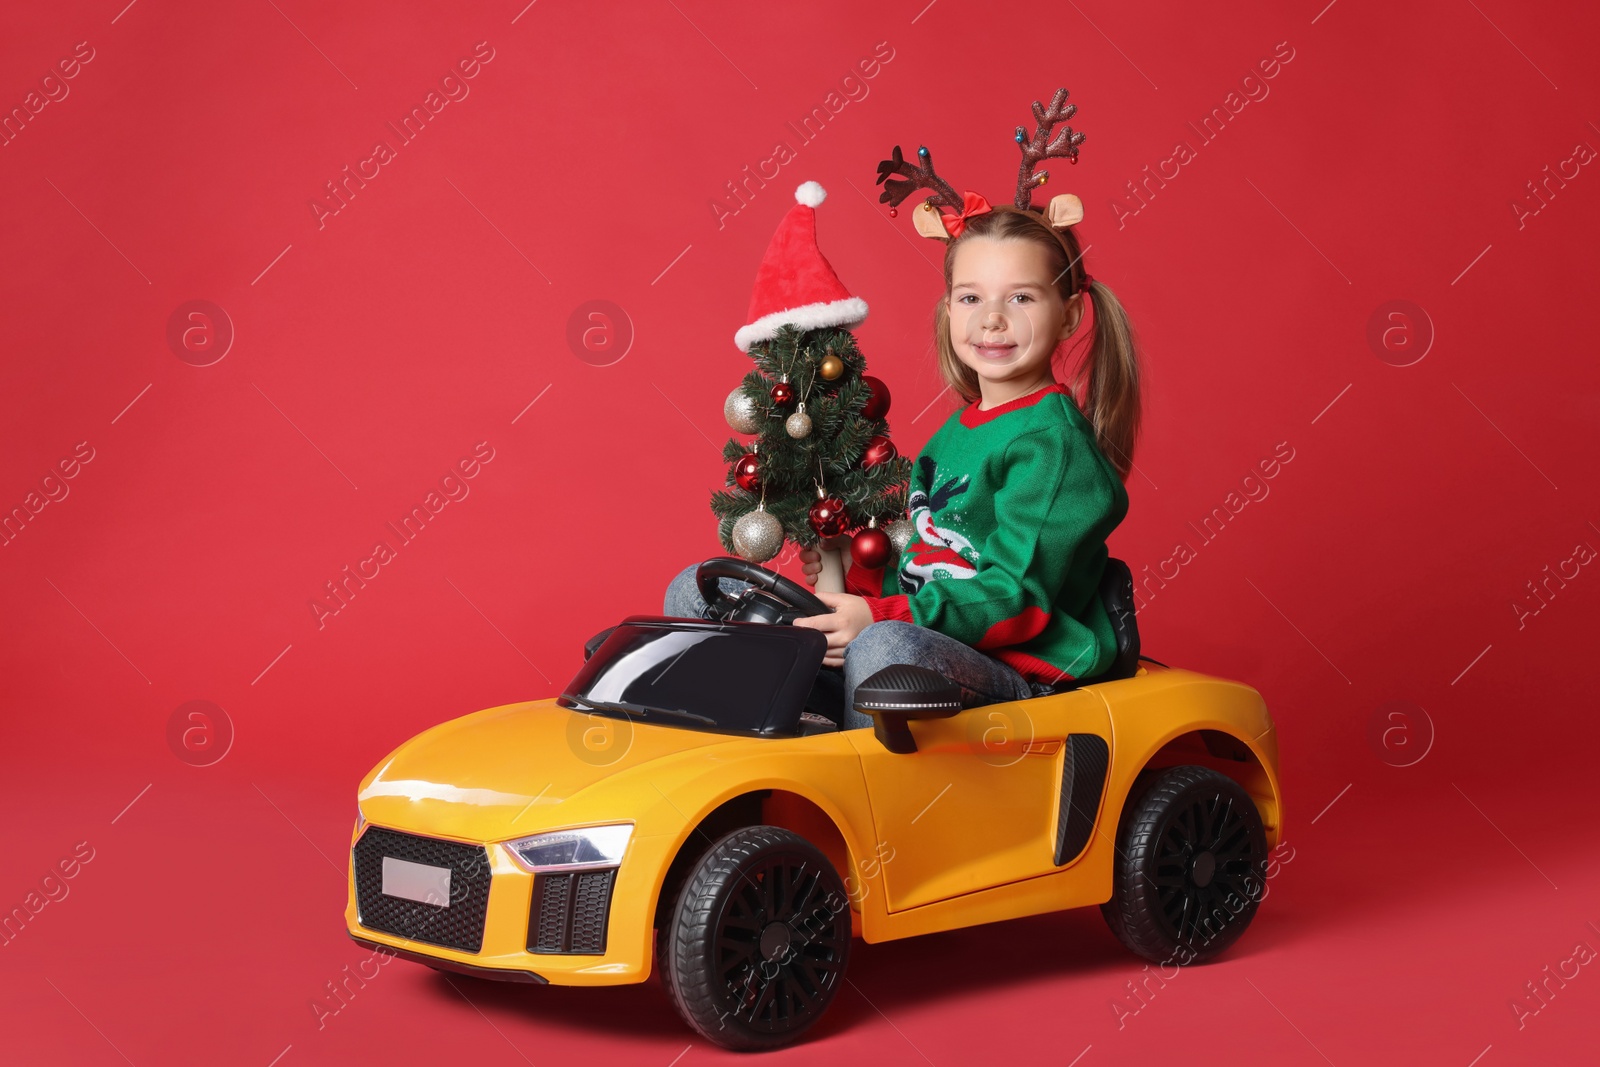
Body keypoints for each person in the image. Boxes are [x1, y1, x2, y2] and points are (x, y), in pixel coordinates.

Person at [666, 203, 1142, 730]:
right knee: (700, 588)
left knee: (885, 646)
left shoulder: (1052, 447)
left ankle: (853, 787)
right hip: (917, 639)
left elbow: (1015, 600)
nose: (992, 318)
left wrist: (878, 617)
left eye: (1022, 297)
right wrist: (857, 570)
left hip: (1014, 675)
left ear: (1069, 315)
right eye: (971, 298)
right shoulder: (955, 434)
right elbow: (926, 561)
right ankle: (745, 763)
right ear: (948, 311)